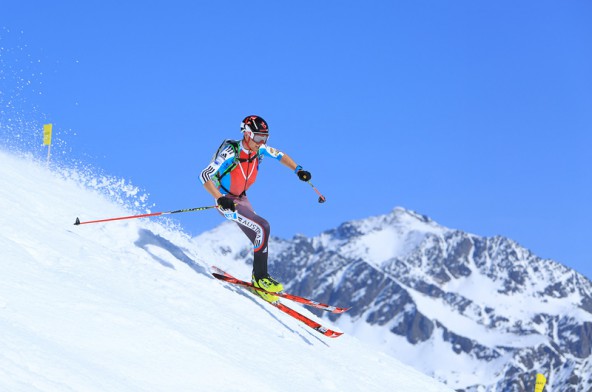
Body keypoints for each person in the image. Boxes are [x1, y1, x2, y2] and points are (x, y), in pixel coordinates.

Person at [200, 115, 311, 303]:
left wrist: (298, 169)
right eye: (258, 138)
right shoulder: (230, 151)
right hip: (227, 201)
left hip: (242, 199)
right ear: (247, 134)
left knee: (259, 236)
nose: (262, 142)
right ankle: (261, 279)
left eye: (265, 138)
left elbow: (280, 155)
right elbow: (204, 176)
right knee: (263, 226)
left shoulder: (259, 150)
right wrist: (220, 199)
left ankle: (258, 278)